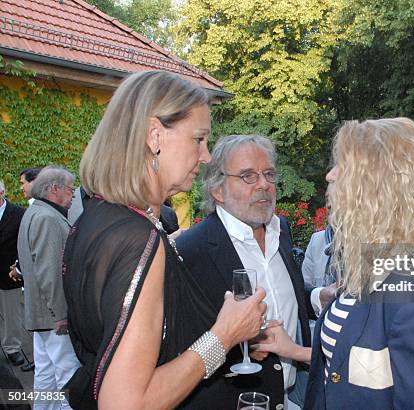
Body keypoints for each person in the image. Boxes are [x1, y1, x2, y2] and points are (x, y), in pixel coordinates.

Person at [62, 71, 266, 410]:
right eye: (198, 139)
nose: (207, 156)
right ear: (155, 136)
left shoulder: (96, 218)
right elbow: (126, 403)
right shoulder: (137, 238)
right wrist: (224, 334)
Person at [256, 118, 414, 409]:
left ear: (379, 186)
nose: (330, 175)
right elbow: (358, 363)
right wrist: (290, 349)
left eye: (343, 166)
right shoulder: (375, 267)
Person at [176, 135, 312, 410]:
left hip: (291, 398)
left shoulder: (280, 230)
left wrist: (319, 297)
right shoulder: (191, 250)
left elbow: (283, 294)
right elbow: (178, 345)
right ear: (218, 190)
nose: (264, 184)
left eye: (269, 174)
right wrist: (237, 345)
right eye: (248, 176)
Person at [17, 166, 80, 410]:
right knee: (67, 375)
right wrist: (61, 315)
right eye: (70, 189)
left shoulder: (34, 213)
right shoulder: (47, 218)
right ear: (54, 189)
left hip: (41, 315)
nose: (73, 194)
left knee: (45, 376)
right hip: (54, 317)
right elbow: (50, 272)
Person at [0, 179, 28, 367]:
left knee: (12, 315)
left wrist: (18, 267)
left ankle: (12, 348)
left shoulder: (19, 214)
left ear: (2, 193)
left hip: (8, 274)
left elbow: (24, 244)